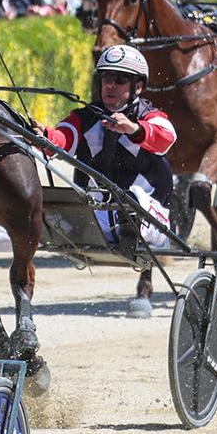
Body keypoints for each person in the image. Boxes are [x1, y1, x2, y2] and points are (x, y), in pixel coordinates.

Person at [34, 45, 178, 318]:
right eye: (106, 78)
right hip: (99, 221)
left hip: (151, 221)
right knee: (45, 203)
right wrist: (46, 137)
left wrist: (134, 129)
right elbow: (64, 138)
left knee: (131, 198)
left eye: (120, 79)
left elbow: (167, 136)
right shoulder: (86, 117)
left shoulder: (150, 116)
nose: (110, 85)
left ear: (138, 86)